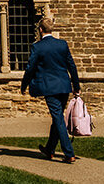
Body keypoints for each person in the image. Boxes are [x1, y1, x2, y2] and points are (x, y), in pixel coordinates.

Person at [20, 18, 82, 164]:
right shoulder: (62, 44)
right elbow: (71, 66)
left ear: (40, 30)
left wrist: (24, 85)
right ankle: (49, 149)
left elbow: (30, 68)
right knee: (57, 117)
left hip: (49, 87)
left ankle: (69, 153)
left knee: (58, 118)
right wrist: (76, 86)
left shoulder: (37, 47)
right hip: (64, 86)